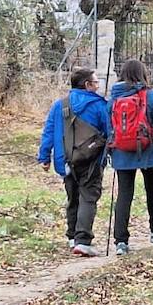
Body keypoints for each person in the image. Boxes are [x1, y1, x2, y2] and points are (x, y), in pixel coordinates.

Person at [38, 67, 111, 257]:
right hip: (91, 160)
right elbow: (109, 131)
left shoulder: (59, 105)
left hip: (66, 160)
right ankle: (83, 240)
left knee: (73, 197)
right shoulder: (99, 105)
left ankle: (72, 236)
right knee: (88, 197)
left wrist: (44, 156)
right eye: (95, 82)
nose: (97, 85)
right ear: (87, 85)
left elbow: (49, 131)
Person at [107, 59, 153, 256]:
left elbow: (109, 127)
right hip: (149, 151)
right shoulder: (152, 96)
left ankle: (120, 240)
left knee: (124, 194)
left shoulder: (113, 98)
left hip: (121, 152)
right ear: (143, 73)